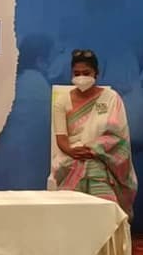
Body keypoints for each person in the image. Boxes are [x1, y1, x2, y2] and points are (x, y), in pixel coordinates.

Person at [52, 49, 138, 218]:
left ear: (96, 73)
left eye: (86, 73)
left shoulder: (111, 98)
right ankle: (102, 220)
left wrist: (94, 150)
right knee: (89, 167)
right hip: (71, 157)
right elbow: (61, 139)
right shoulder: (62, 101)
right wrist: (73, 151)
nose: (81, 77)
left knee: (94, 168)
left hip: (106, 157)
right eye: (76, 73)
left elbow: (117, 136)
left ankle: (101, 223)